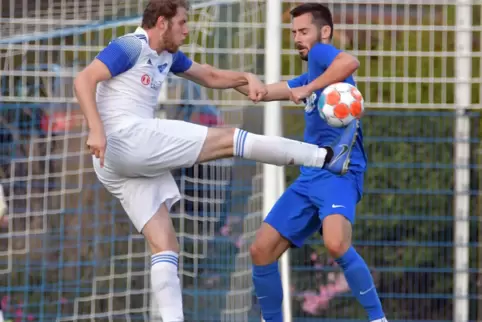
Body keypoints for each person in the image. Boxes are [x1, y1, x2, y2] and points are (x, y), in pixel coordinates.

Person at [73, 0, 356, 321]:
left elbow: (208, 75)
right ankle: (324, 157)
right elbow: (83, 79)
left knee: (165, 244)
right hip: (124, 139)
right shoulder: (129, 45)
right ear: (162, 23)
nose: (187, 29)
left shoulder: (167, 55)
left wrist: (246, 77)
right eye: (182, 22)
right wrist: (96, 129)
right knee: (228, 138)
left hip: (118, 161)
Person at [235, 3, 387, 322]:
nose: (297, 39)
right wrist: (232, 80)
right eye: (293, 33)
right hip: (310, 177)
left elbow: (350, 61)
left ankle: (378, 318)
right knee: (260, 250)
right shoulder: (312, 73)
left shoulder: (321, 57)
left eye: (303, 31)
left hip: (338, 173)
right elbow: (264, 91)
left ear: (324, 32)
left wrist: (310, 88)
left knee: (335, 243)